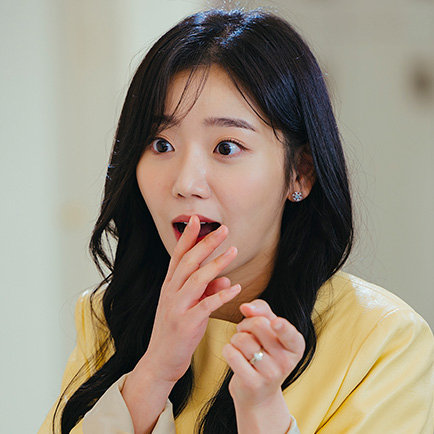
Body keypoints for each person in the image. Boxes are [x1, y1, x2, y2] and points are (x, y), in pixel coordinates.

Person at [38, 8, 434, 434]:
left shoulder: (383, 339)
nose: (186, 183)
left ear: (300, 172)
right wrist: (153, 374)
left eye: (226, 147)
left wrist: (261, 409)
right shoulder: (108, 315)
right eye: (161, 144)